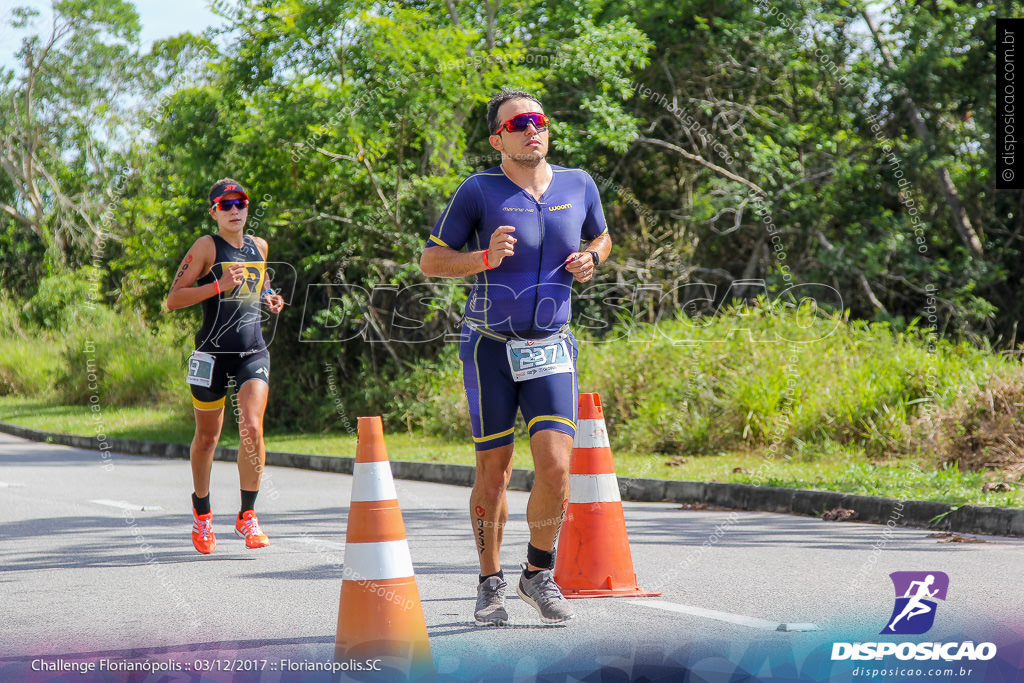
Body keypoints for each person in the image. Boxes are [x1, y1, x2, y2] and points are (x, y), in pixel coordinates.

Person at [419, 89, 612, 625]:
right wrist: (483, 258)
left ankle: (537, 573)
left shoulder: (579, 184)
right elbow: (431, 260)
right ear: (497, 139)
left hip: (552, 345)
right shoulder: (478, 190)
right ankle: (489, 581)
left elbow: (603, 236)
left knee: (554, 467)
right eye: (519, 123)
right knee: (495, 472)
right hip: (490, 348)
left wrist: (592, 258)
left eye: (540, 121)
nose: (533, 129)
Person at [166, 179, 285, 554]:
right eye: (226, 204)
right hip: (211, 355)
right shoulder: (206, 246)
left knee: (252, 425)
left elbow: (259, 281)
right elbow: (174, 299)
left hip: (252, 350)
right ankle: (202, 514)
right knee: (207, 438)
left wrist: (269, 296)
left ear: (247, 208)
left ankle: (247, 515)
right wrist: (217, 285)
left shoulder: (259, 246)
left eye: (241, 203)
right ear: (214, 211)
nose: (235, 210)